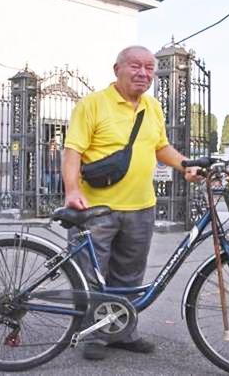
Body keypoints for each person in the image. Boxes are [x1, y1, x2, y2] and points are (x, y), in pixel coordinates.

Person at [62, 45, 202, 361]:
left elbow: (161, 146)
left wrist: (186, 165)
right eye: (136, 66)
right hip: (95, 210)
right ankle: (93, 334)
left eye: (149, 68)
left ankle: (122, 332)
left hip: (141, 207)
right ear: (117, 69)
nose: (144, 73)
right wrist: (72, 190)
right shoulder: (92, 105)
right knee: (91, 277)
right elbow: (72, 151)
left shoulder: (152, 107)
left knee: (129, 275)